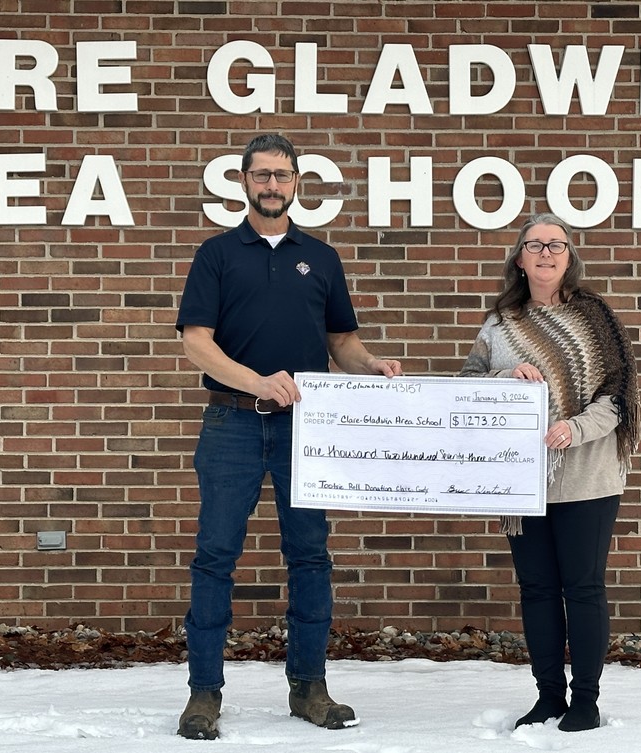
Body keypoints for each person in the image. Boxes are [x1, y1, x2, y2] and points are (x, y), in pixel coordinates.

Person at [174, 134, 403, 740]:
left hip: (309, 428)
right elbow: (197, 342)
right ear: (243, 182)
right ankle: (204, 693)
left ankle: (309, 687)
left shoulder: (321, 258)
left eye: (282, 175)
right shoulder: (217, 254)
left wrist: (372, 366)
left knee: (309, 557)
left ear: (298, 183)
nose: (271, 185)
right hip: (233, 424)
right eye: (261, 175)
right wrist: (259, 384)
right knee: (215, 558)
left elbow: (341, 345)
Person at [459, 212, 640, 733]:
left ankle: (585, 699)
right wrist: (504, 374)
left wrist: (574, 429)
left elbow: (618, 397)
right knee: (537, 589)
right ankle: (547, 697)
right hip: (522, 480)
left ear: (569, 257)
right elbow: (468, 383)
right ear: (519, 258)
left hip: (587, 474)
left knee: (582, 587)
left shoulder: (596, 319)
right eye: (534, 244)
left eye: (556, 244)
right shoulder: (499, 323)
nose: (545, 252)